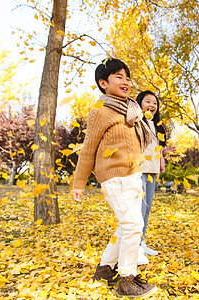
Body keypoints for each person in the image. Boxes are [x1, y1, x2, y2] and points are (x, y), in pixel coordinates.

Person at [71, 58, 158, 299]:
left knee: (125, 225)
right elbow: (88, 150)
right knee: (133, 225)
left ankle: (104, 269)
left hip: (133, 176)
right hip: (113, 177)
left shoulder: (132, 111)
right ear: (103, 83)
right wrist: (79, 184)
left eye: (127, 77)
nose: (125, 81)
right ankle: (126, 279)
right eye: (118, 77)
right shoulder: (101, 112)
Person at [135, 90, 175, 264]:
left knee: (147, 208)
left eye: (155, 103)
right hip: (139, 169)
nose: (151, 106)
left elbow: (157, 151)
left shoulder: (157, 126)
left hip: (152, 171)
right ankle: (134, 246)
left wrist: (165, 152)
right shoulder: (136, 122)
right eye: (147, 102)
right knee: (139, 208)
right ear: (140, 103)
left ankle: (141, 242)